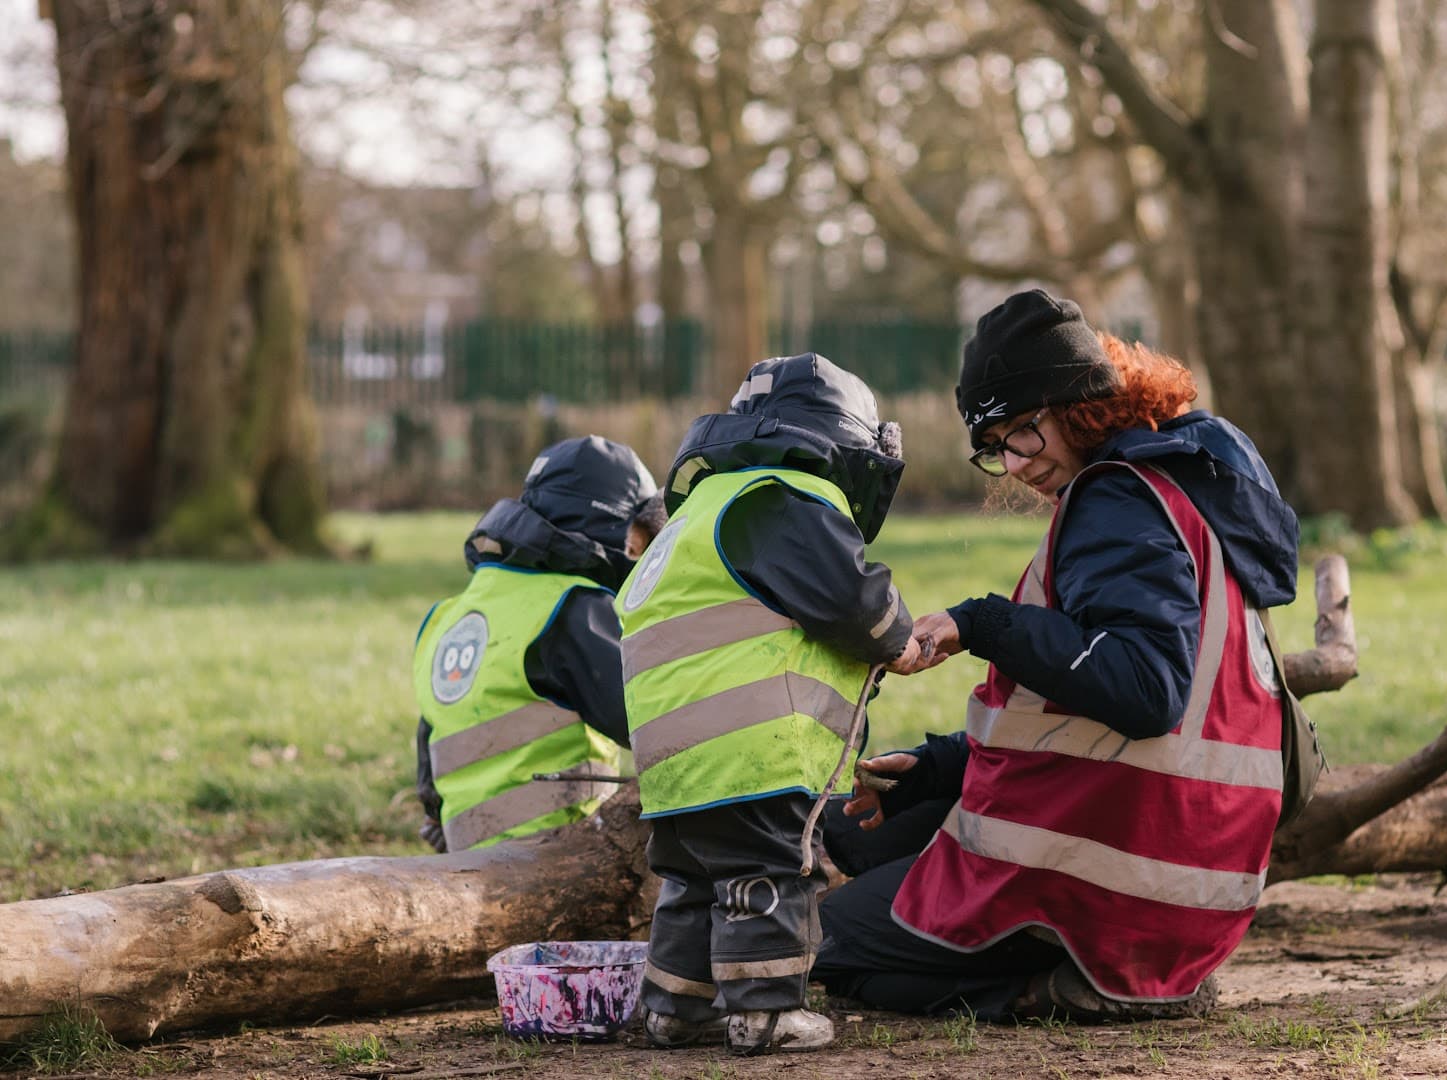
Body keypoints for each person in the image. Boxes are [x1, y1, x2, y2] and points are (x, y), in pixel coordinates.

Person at [812, 288, 1301, 1023]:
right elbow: (1084, 699)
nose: (1012, 464)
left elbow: (1144, 692)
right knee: (856, 836)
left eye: (1023, 432)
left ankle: (1066, 985)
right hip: (1200, 863)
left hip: (1140, 878)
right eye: (995, 446)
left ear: (1077, 403)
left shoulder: (1118, 501)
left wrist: (983, 622)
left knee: (830, 941)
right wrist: (941, 769)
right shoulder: (1183, 481)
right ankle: (1099, 964)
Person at [616, 353, 921, 1055]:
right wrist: (897, 636)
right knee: (769, 870)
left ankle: (674, 1007)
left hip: (672, 761)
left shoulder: (698, 516)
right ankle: (766, 1010)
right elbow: (850, 599)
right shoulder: (786, 498)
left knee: (694, 882)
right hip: (751, 750)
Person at [412, 435, 666, 853]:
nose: (641, 552)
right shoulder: (572, 610)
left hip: (462, 858)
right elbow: (651, 721)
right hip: (558, 858)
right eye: (640, 535)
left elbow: (430, 765)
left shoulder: (448, 616)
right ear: (613, 526)